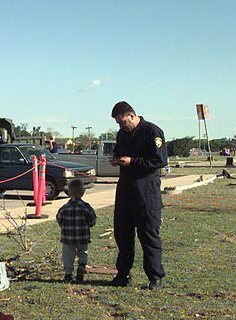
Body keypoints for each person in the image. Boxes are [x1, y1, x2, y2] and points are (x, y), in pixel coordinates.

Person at [109, 101, 167, 289]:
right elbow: (119, 152)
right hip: (125, 189)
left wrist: (133, 162)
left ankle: (155, 277)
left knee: (148, 235)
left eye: (122, 121)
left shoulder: (152, 132)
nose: (120, 126)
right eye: (118, 123)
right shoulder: (122, 135)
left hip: (146, 190)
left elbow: (159, 160)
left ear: (132, 116)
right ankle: (123, 274)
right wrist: (116, 160)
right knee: (123, 234)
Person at [56, 178, 97, 283]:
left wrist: (64, 226)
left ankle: (68, 274)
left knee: (68, 255)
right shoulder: (86, 207)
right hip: (83, 237)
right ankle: (82, 265)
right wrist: (89, 224)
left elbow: (59, 218)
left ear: (69, 193)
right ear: (82, 193)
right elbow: (92, 220)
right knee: (83, 251)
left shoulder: (65, 208)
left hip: (68, 237)